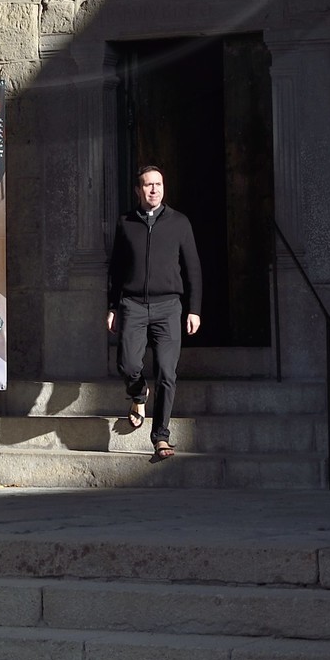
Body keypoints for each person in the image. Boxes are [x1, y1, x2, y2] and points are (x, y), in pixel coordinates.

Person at [106, 164, 202, 461]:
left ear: (164, 187)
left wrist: (194, 309)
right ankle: (138, 395)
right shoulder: (126, 223)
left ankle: (161, 437)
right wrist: (112, 306)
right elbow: (117, 269)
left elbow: (193, 269)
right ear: (138, 190)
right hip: (132, 305)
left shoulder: (179, 222)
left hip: (168, 307)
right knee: (127, 363)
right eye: (148, 185)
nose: (153, 189)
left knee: (165, 371)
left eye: (158, 184)